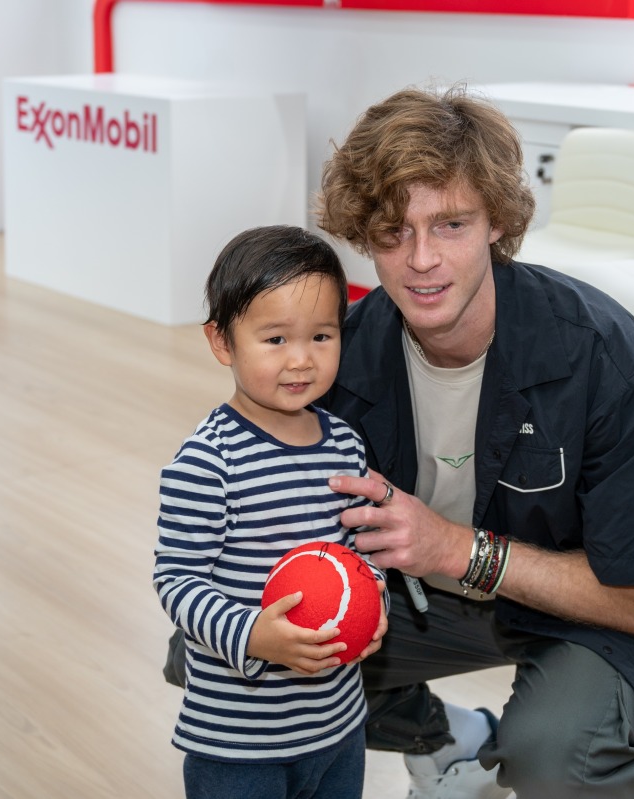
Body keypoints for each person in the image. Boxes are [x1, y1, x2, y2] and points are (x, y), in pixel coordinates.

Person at [316, 85, 634, 798]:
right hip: (425, 603)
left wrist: (455, 549)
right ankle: (444, 740)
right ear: (363, 235)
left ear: (496, 220)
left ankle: (534, 741)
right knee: (235, 652)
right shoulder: (340, 359)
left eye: (450, 224)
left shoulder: (604, 358)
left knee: (554, 757)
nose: (421, 259)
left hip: (590, 607)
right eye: (394, 231)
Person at [153, 225, 389, 799]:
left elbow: (362, 554)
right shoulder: (208, 461)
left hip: (337, 726)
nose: (301, 359)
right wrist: (251, 634)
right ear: (222, 342)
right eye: (276, 339)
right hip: (238, 743)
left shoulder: (346, 444)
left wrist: (374, 602)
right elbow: (176, 580)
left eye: (322, 336)